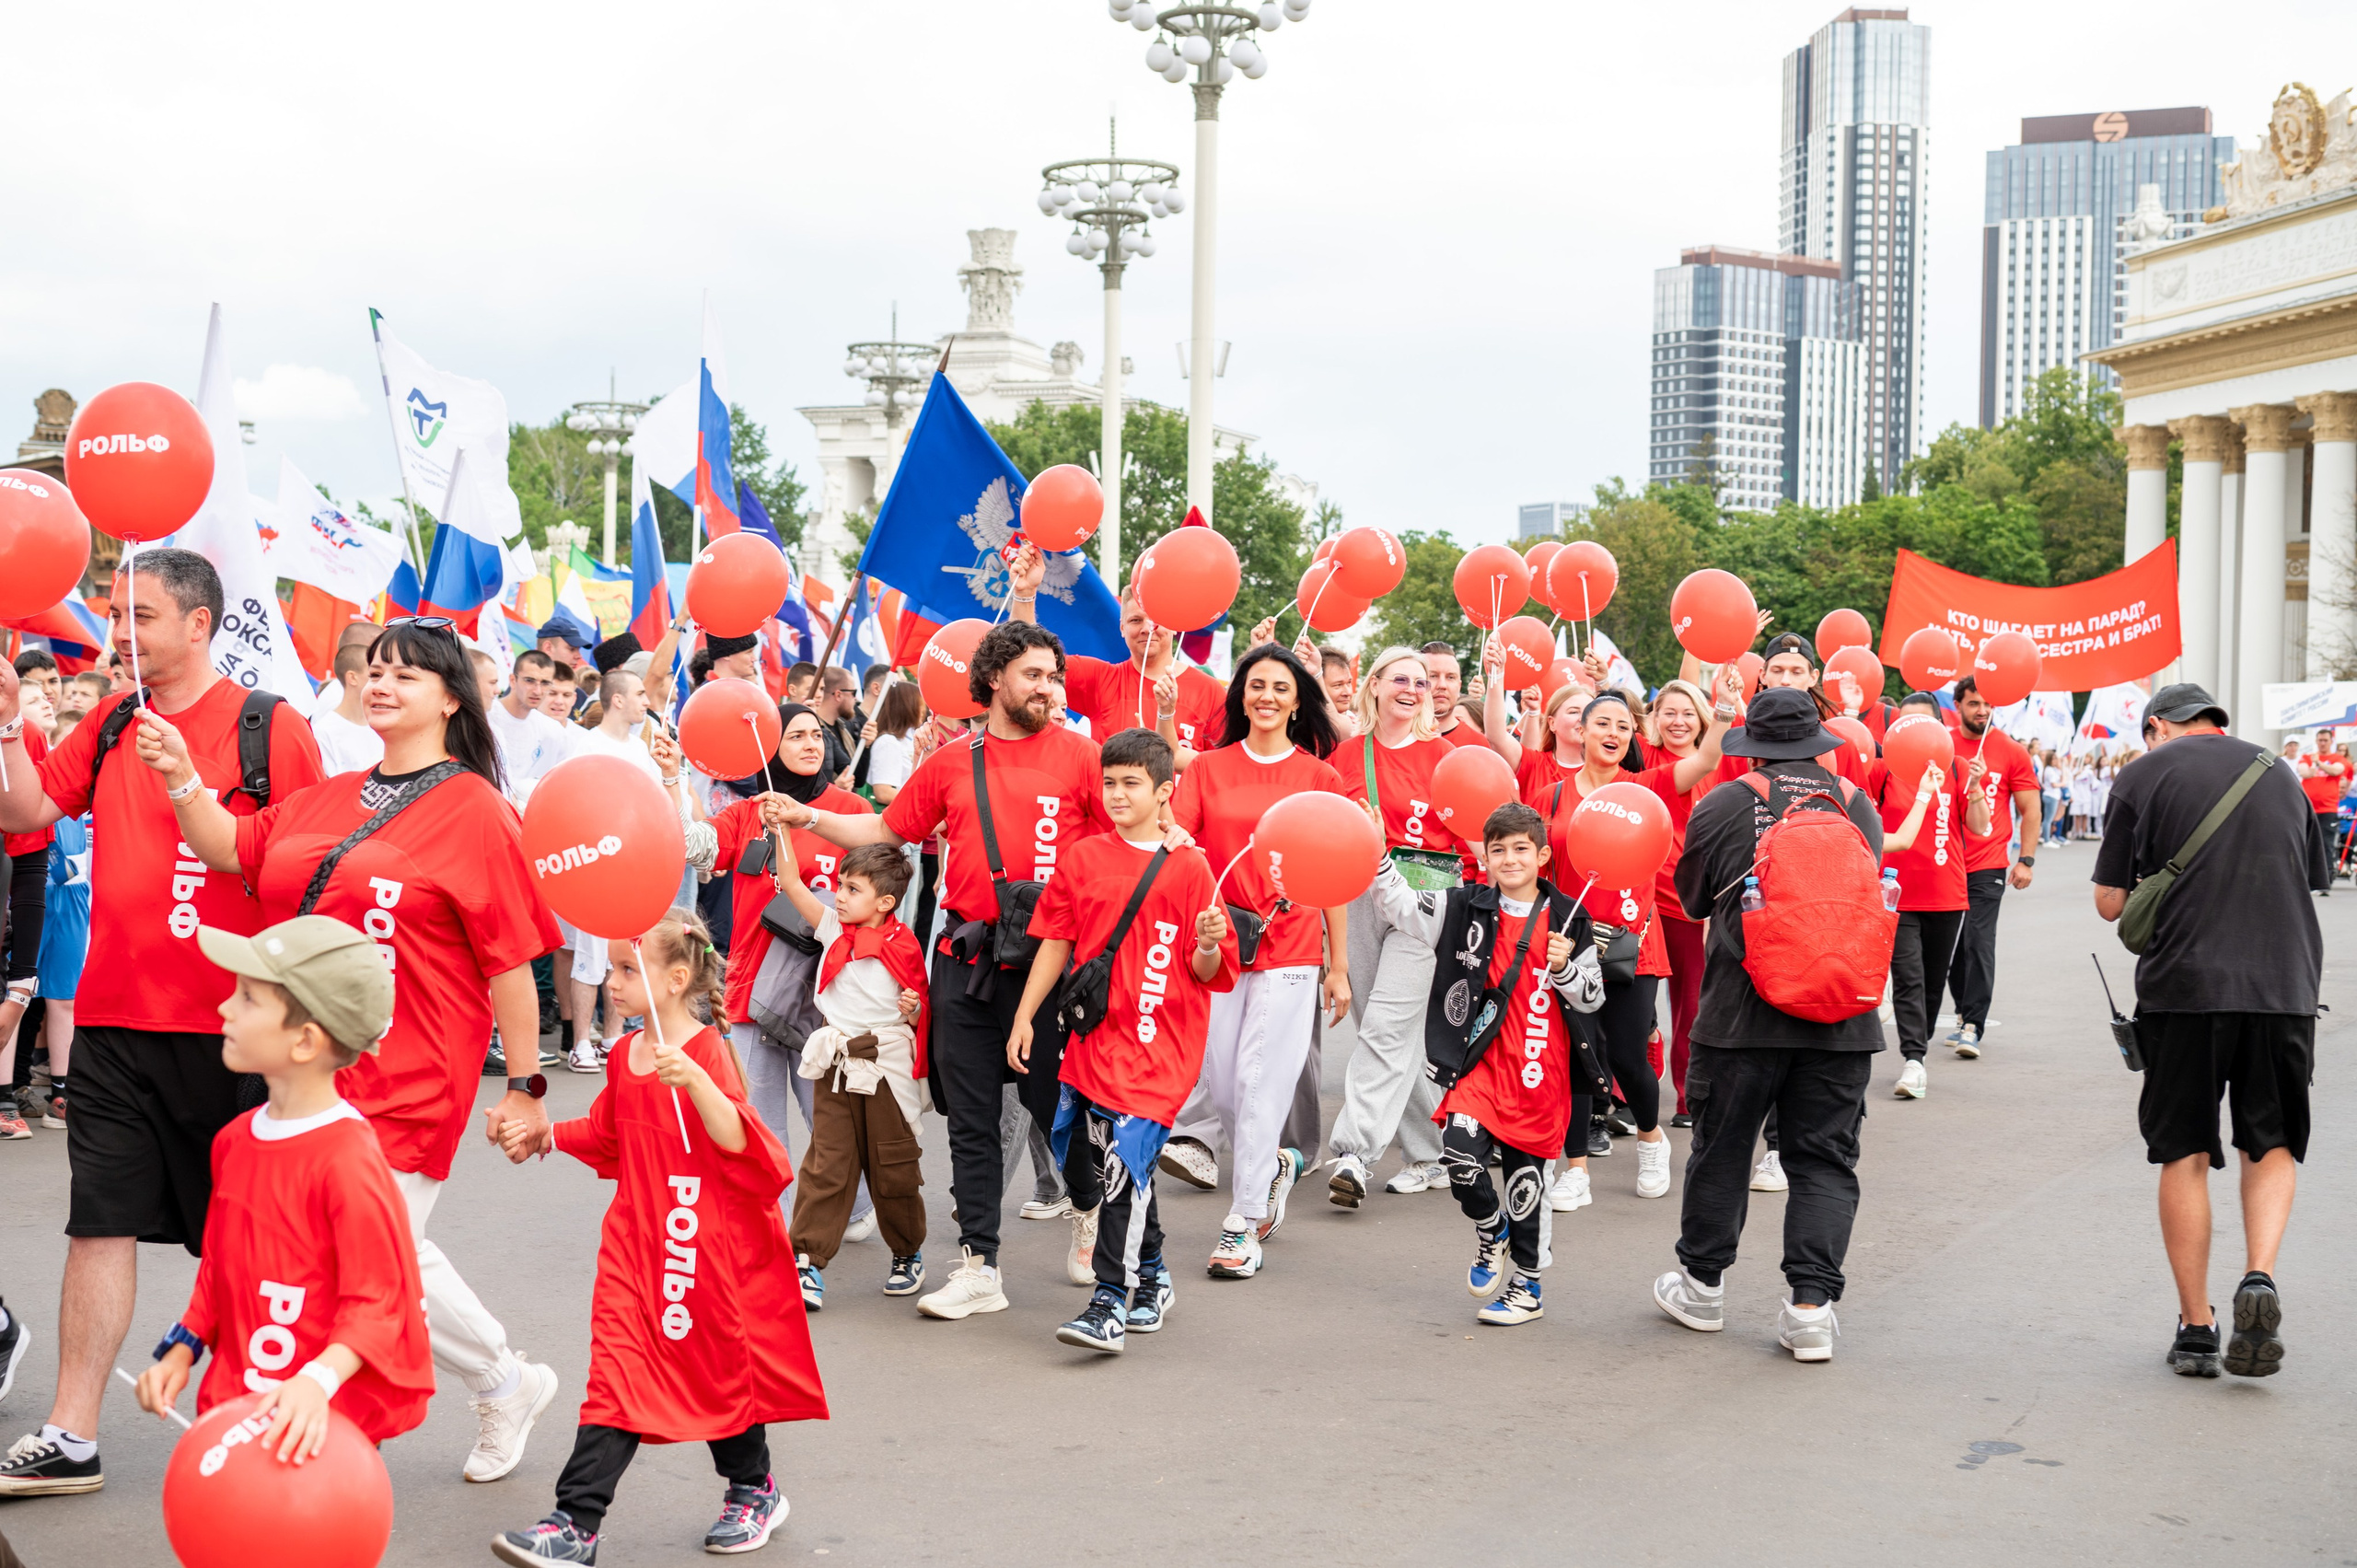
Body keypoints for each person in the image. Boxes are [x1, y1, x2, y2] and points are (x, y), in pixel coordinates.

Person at [134, 615, 566, 1482]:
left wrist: (526, 1085)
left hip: (415, 1073)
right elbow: (226, 847)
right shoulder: (332, 793)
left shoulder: (478, 809)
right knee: (393, 1252)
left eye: (407, 675)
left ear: (451, 699)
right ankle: (505, 1379)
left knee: (368, 1256)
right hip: (310, 1064)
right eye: (376, 669)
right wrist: (184, 775)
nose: (381, 683)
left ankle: (314, 1447)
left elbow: (514, 961)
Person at [0, 548, 327, 1498]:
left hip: (239, 1030)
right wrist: (10, 727)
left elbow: (302, 875)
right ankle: (70, 1431)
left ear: (198, 624)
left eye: (141, 613)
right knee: (97, 1222)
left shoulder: (271, 729)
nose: (120, 627)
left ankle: (263, 1422)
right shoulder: (108, 719)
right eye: (116, 608)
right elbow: (23, 808)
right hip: (109, 1020)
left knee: (249, 1238)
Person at [777, 621, 1114, 1318]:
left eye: (1054, 676)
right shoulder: (954, 761)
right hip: (963, 959)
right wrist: (805, 816)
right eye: (1034, 675)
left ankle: (1086, 1203)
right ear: (995, 679)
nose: (1048, 688)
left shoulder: (1084, 757)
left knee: (1056, 1109)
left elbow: (1120, 846)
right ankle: (979, 1265)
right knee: (969, 1117)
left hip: (1048, 963)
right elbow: (882, 831)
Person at [492, 912, 826, 1563]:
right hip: (633, 1244)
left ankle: (754, 1486)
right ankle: (575, 1522)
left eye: (625, 969)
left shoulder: (704, 1053)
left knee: (714, 1370)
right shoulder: (623, 1052)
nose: (611, 981)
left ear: (676, 979)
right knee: (617, 1376)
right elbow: (610, 1133)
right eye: (611, 968)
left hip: (699, 1246)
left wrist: (696, 1082)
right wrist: (546, 1134)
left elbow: (741, 1144)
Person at [2093, 684, 2328, 1379]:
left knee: (2184, 1151)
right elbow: (2310, 875)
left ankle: (2197, 1328)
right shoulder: (2278, 771)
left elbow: (2110, 903)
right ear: (2217, 724)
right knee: (2271, 1140)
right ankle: (2259, 1275)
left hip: (2185, 990)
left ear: (2158, 726)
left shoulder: (2142, 774)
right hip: (2283, 985)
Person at [133, 914, 434, 1457]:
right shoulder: (233, 1141)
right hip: (238, 1402)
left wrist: (317, 1381)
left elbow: (378, 1302)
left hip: (317, 1423)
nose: (225, 1008)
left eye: (248, 998)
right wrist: (183, 1346)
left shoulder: (349, 1158)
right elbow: (219, 1268)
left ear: (305, 1041)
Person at [1654, 687, 1889, 1364]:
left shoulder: (1725, 803)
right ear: (1818, 741)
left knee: (1722, 1149)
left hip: (1741, 1015)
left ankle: (1701, 1286)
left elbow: (1693, 897)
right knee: (1823, 1159)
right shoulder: (1855, 802)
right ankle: (1811, 1309)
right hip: (1842, 1013)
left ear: (1750, 741)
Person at [1011, 728, 1237, 1352]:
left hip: (1162, 1049)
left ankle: (1110, 1298)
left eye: (1131, 782)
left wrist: (1211, 942)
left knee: (1124, 1159)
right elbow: (1056, 937)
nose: (1116, 793)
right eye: (1108, 781)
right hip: (1096, 1041)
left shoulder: (1190, 866)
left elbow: (1209, 971)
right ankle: (1156, 1274)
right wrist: (1027, 1013)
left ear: (1165, 791)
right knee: (1118, 1164)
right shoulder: (1082, 857)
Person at [1369, 800, 1605, 1324]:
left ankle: (1527, 1286)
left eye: (1521, 849)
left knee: (1528, 1187)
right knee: (1459, 1158)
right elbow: (1402, 905)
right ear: (1486, 856)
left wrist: (1565, 969)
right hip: (1476, 1069)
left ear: (1542, 855)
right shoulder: (1463, 906)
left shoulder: (1571, 916)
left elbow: (1592, 998)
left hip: (1539, 1076)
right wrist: (1374, 852)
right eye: (1498, 850)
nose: (1509, 859)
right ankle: (1489, 1229)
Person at [1163, 645, 1350, 1277]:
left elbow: (1336, 876)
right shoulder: (1209, 769)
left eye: (1279, 686)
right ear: (1240, 696)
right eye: (1255, 685)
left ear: (1299, 701)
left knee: (1258, 1079)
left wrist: (1339, 962)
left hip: (1290, 948)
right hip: (1218, 945)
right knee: (1219, 1084)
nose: (1265, 696)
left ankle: (1241, 1224)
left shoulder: (1320, 777)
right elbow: (1179, 841)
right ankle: (1269, 1165)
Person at [699, 703, 879, 1267]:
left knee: (831, 1121)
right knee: (761, 1123)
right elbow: (697, 846)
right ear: (769, 748)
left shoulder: (849, 812)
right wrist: (670, 778)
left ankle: (856, 1208)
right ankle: (771, 1235)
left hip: (826, 998)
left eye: (816, 735)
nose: (810, 744)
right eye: (795, 735)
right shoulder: (750, 812)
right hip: (753, 993)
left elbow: (887, 888)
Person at [1539, 688, 1728, 1209]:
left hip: (1633, 947)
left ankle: (1651, 1138)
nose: (1612, 734)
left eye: (1623, 727)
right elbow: (1528, 859)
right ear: (1581, 731)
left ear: (1632, 737)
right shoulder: (1552, 798)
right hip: (1569, 948)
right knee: (1577, 1055)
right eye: (1602, 724)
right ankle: (1573, 1168)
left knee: (1626, 1056)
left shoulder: (1646, 789)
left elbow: (1707, 758)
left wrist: (1728, 709)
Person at [1324, 646, 1466, 1204]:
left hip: (1426, 896)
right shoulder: (1343, 755)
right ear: (1375, 685)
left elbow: (1474, 838)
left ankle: (1354, 1153)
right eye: (1400, 678)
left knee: (1387, 1026)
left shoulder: (1448, 756)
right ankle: (1434, 1152)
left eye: (1422, 681)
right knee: (1382, 1029)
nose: (1412, 688)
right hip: (1359, 893)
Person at [767, 841, 928, 1307]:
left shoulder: (905, 945)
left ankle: (907, 1252)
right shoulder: (832, 925)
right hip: (835, 1063)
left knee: (892, 1167)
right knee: (827, 1165)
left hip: (885, 1068)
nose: (838, 894)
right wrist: (782, 832)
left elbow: (920, 1014)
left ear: (885, 903)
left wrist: (913, 1008)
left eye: (852, 888)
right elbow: (793, 883)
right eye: (840, 884)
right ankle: (807, 1262)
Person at [1872, 693, 1991, 1101]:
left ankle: (1916, 1052)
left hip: (1946, 893)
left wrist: (1975, 787)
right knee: (1908, 977)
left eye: (1924, 723)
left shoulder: (1957, 769)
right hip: (1897, 891)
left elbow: (1980, 828)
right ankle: (1914, 1058)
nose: (1914, 731)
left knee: (1932, 981)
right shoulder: (1882, 771)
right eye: (1905, 723)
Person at [1005, 545, 1225, 760]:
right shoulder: (1099, 679)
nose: (1147, 628)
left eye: (1156, 619)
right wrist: (1025, 593)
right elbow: (1029, 657)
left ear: (1175, 624)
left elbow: (1223, 768)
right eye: (1135, 620)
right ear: (1122, 628)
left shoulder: (1210, 691)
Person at [1941, 677, 2042, 1059]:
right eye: (1973, 704)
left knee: (1978, 942)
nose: (1981, 710)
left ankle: (1973, 1025)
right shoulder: (1942, 743)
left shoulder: (2011, 751)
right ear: (1958, 705)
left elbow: (2030, 809)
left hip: (1988, 863)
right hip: (1944, 861)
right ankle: (1964, 1010)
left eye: (1986, 704)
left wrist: (2026, 860)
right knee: (1951, 948)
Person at [485, 650, 574, 802]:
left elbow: (560, 782)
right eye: (529, 681)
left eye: (545, 683)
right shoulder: (487, 717)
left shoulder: (554, 731)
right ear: (513, 680)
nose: (537, 690)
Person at [310, 641, 387, 776]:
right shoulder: (323, 733)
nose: (384, 682)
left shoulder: (384, 724)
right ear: (352, 678)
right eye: (374, 674)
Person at [863, 680, 924, 809]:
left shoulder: (903, 741)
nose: (923, 709)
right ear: (906, 706)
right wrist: (920, 806)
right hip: (889, 819)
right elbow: (883, 792)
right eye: (919, 703)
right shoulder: (888, 742)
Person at [1421, 641, 1486, 749]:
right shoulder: (1397, 736)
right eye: (1433, 676)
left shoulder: (1477, 744)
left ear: (1459, 686)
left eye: (1450, 677)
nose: (1442, 685)